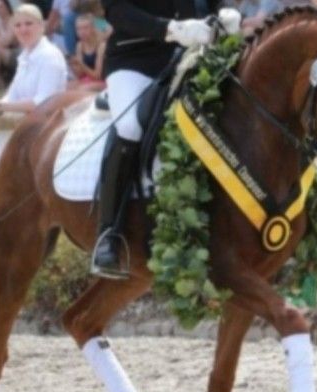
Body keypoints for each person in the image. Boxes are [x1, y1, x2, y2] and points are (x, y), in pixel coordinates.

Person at [91, 0, 234, 279]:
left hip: (194, 58)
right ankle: (109, 233)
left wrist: (226, 14)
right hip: (136, 60)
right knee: (130, 126)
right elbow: (117, 11)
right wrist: (170, 29)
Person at [0, 4, 67, 119]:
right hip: (29, 123)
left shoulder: (50, 56)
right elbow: (11, 97)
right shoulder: (24, 57)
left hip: (51, 125)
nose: (23, 30)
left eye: (28, 24)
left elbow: (43, 103)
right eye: (18, 25)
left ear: (41, 26)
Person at [67, 12, 106, 90]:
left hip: (103, 80)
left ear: (93, 28)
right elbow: (80, 74)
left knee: (80, 89)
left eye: (85, 28)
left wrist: (81, 64)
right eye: (78, 29)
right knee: (64, 86)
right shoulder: (79, 45)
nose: (82, 32)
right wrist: (72, 65)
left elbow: (98, 76)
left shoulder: (101, 46)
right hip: (87, 78)